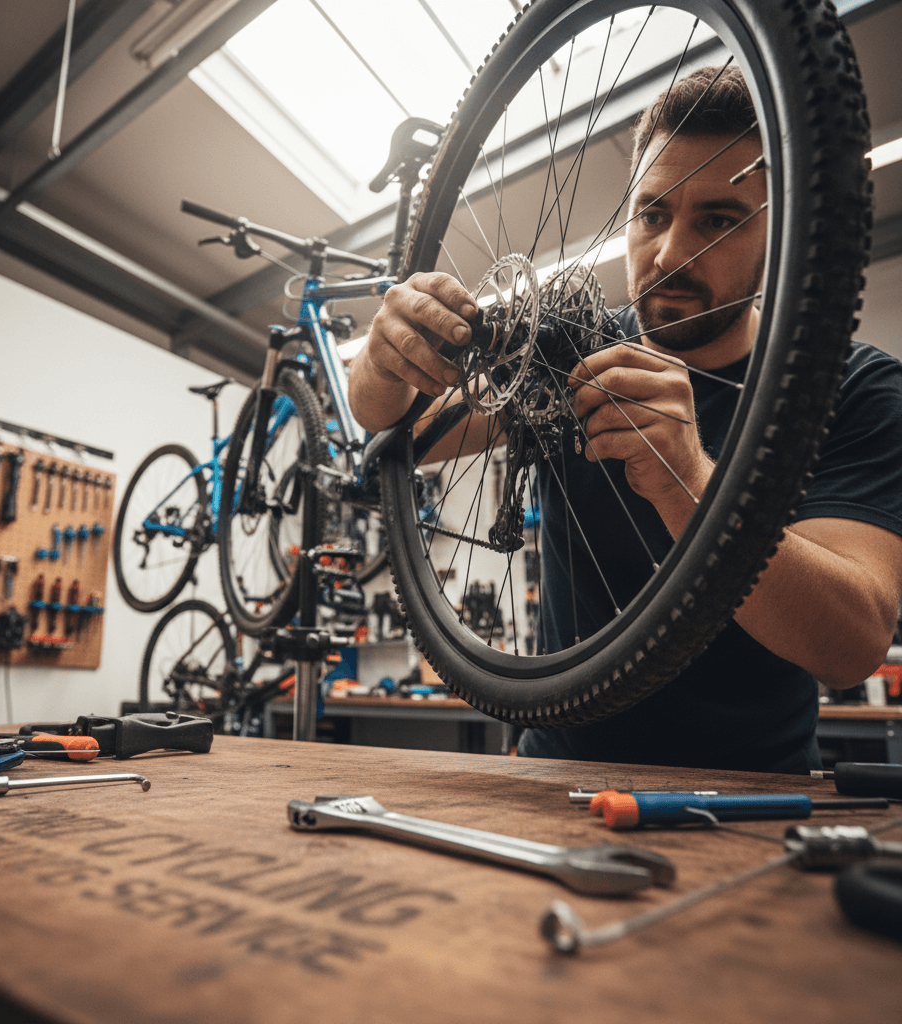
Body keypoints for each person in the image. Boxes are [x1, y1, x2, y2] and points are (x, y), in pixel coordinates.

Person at [347, 66, 902, 774]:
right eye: (652, 214)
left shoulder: (849, 384)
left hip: (750, 794)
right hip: (554, 774)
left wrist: (689, 482)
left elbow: (852, 647)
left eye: (718, 220)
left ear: (780, 233)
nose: (669, 253)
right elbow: (394, 433)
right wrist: (382, 358)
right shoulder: (567, 347)